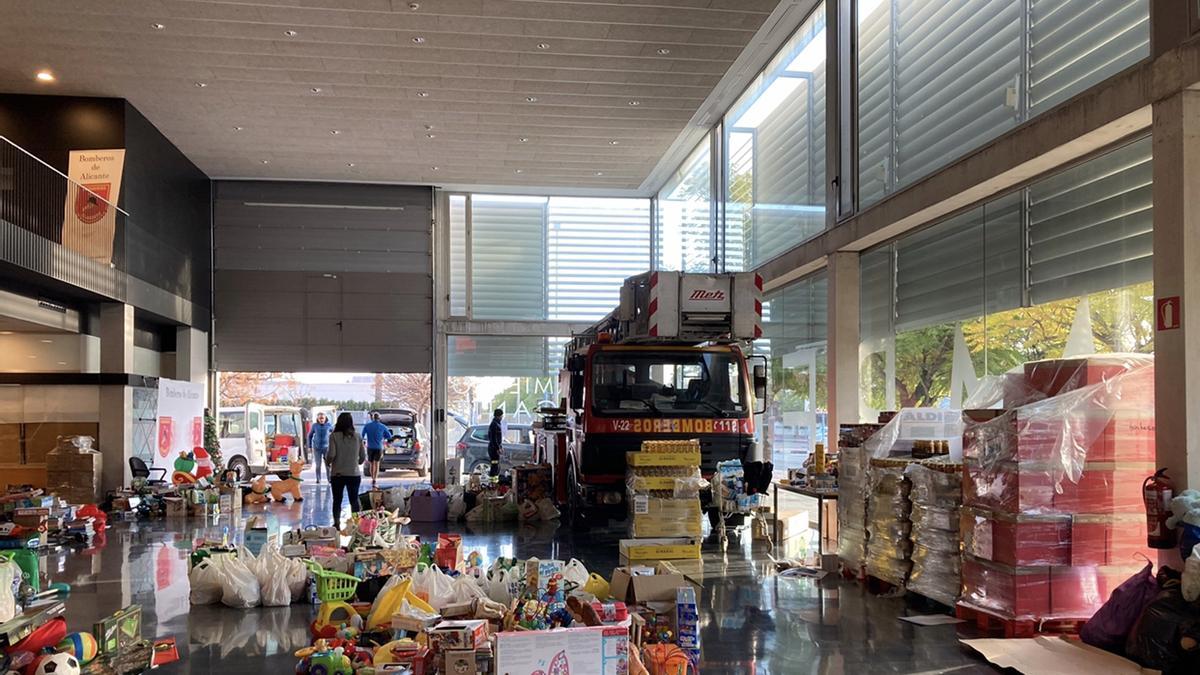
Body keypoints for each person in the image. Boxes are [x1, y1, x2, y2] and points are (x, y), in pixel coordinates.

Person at [325, 412, 365, 528]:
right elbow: (363, 456)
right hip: (354, 473)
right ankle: (357, 523)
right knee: (354, 500)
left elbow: (331, 454)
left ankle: (337, 523)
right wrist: (356, 463)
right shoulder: (357, 436)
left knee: (337, 500)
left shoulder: (333, 436)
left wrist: (328, 462)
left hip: (338, 474)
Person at [361, 412, 392, 489]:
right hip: (378, 447)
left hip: (370, 447)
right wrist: (383, 436)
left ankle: (372, 478)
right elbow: (389, 436)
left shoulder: (367, 426)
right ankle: (375, 478)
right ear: (379, 418)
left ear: (372, 418)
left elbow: (362, 435)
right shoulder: (383, 426)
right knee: (377, 463)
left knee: (371, 464)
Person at [306, 412, 332, 483]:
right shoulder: (314, 426)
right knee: (318, 465)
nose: (321, 420)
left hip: (326, 448)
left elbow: (334, 435)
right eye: (320, 418)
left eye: (322, 418)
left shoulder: (329, 425)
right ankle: (318, 479)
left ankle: (329, 479)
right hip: (317, 448)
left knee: (328, 465)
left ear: (325, 418)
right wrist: (310, 447)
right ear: (317, 418)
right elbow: (309, 436)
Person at [487, 408, 503, 478]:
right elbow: (493, 438)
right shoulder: (494, 425)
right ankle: (493, 483)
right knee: (494, 466)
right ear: (498, 416)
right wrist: (498, 448)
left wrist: (500, 447)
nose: (502, 417)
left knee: (496, 466)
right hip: (493, 450)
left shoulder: (496, 423)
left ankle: (494, 482)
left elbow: (498, 439)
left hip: (494, 449)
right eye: (501, 416)